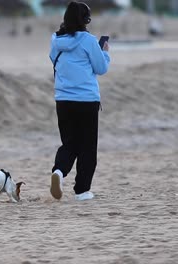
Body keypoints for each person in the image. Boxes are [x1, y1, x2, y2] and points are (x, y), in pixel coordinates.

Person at [48, 1, 110, 201]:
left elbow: (53, 59)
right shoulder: (89, 40)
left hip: (63, 99)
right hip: (86, 100)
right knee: (87, 147)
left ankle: (58, 171)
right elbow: (101, 68)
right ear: (86, 20)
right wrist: (105, 53)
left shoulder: (56, 39)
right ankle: (82, 191)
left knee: (69, 143)